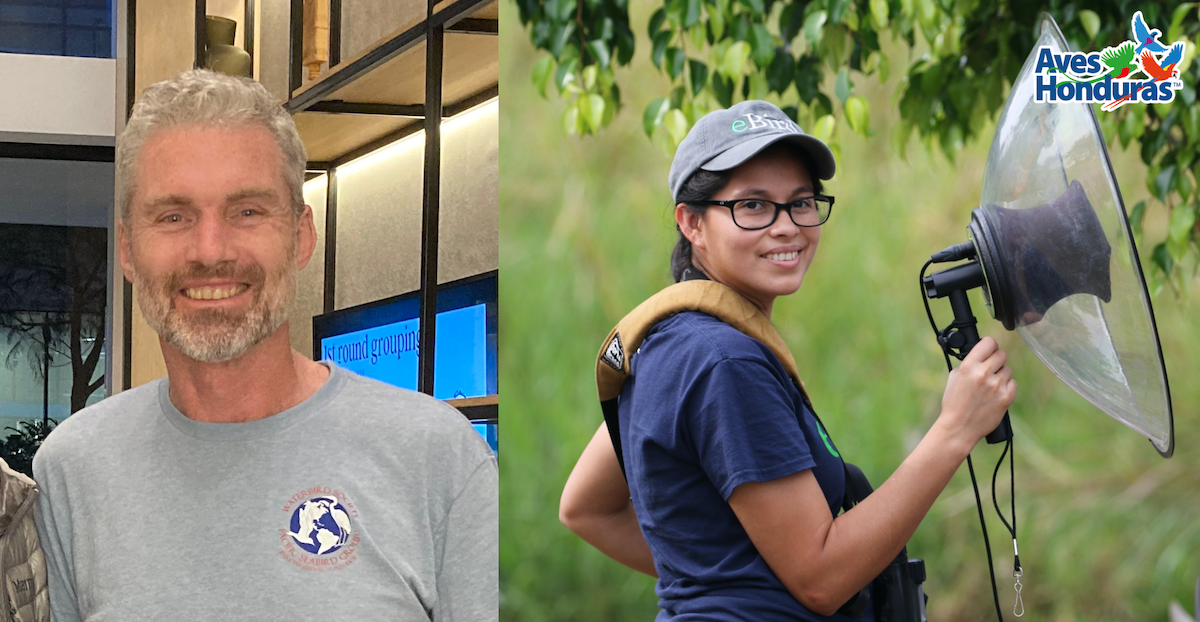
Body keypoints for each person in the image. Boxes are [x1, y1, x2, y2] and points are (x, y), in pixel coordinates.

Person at [31, 69, 497, 621]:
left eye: (247, 211)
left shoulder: (436, 456)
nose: (210, 250)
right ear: (129, 248)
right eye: (173, 216)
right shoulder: (72, 470)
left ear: (300, 235)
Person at [559, 100, 1015, 620]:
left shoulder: (663, 342)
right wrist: (954, 430)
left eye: (801, 202)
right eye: (752, 205)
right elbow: (821, 579)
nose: (787, 226)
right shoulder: (722, 362)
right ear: (692, 223)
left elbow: (584, 507)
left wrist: (719, 577)